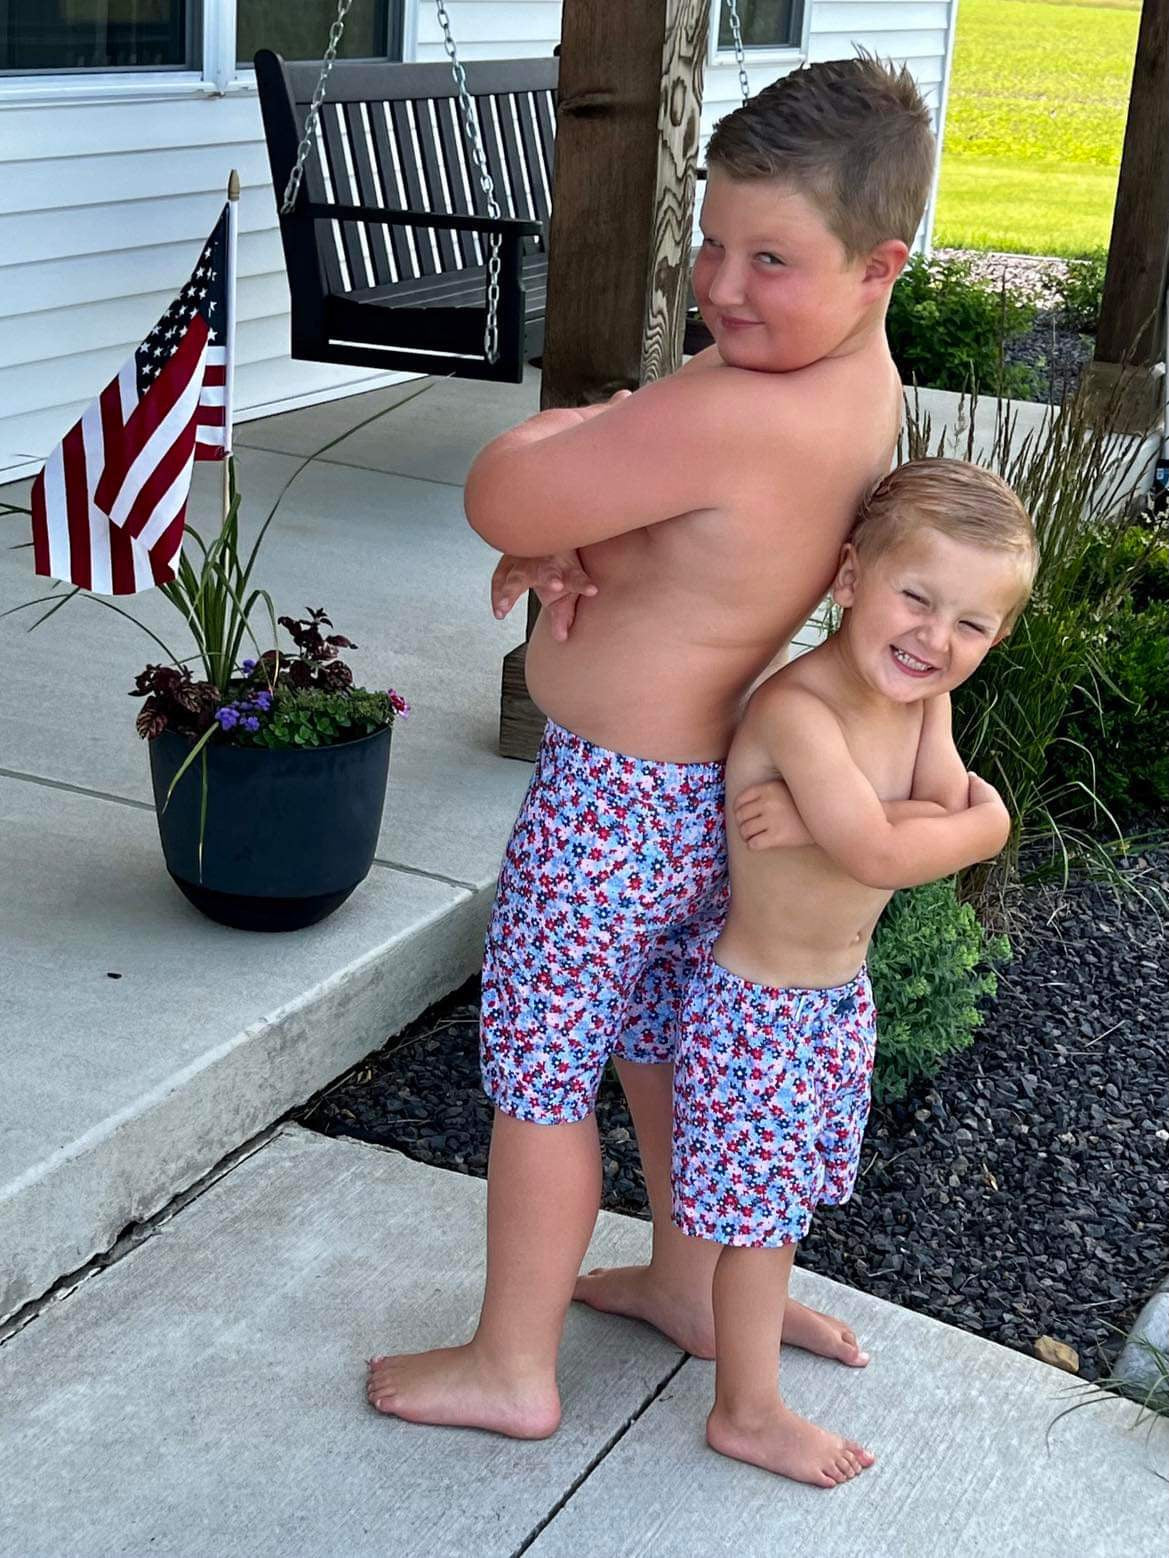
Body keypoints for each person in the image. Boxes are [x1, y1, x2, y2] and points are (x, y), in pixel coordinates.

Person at [367, 56, 936, 1440]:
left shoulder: (734, 402)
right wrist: (597, 514)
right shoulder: (854, 384)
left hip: (617, 801)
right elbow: (686, 521)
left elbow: (500, 484)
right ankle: (689, 1281)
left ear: (879, 265)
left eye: (770, 260)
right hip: (716, 803)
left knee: (540, 1070)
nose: (722, 286)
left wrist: (564, 477)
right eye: (712, 241)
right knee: (659, 1041)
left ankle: (512, 1363)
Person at [676, 457, 1036, 1488]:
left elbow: (903, 829)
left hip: (835, 1000)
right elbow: (903, 849)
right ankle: (743, 1410)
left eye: (968, 623)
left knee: (776, 1203)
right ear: (847, 577)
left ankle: (755, 1309)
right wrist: (977, 820)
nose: (932, 637)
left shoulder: (919, 705)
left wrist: (869, 823)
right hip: (757, 1012)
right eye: (913, 597)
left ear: (994, 637)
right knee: (756, 1212)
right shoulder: (800, 711)